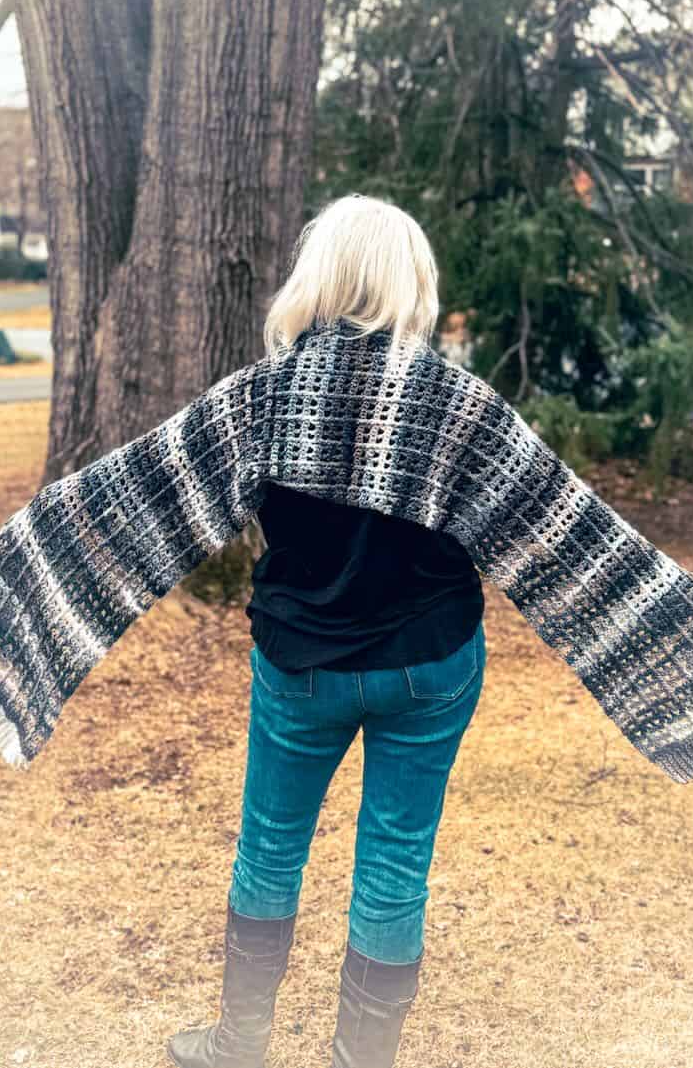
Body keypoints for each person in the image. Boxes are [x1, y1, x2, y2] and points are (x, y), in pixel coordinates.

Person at [167, 195, 486, 1068]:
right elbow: (562, 525)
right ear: (409, 281)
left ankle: (238, 1045)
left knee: (269, 843)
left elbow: (146, 497)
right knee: (395, 859)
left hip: (301, 662)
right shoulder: (455, 401)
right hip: (431, 661)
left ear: (322, 275)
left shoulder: (263, 397)